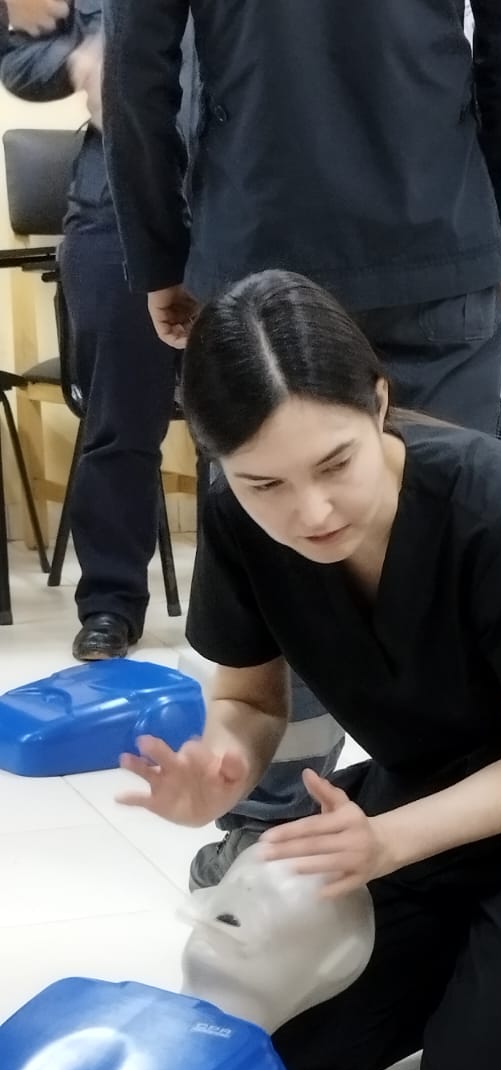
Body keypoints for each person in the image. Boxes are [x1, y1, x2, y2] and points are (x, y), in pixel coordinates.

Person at [118, 272, 501, 1070]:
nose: (310, 513)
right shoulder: (237, 517)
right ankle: (478, 955)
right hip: (414, 801)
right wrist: (219, 765)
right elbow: (250, 700)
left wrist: (388, 844)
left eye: (335, 465)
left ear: (379, 405)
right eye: (264, 484)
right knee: (275, 1060)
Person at [102, 0, 501, 882]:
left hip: (256, 232)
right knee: (446, 541)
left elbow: (139, 73)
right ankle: (455, 814)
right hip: (436, 231)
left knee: (293, 541)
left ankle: (273, 820)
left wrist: (161, 254)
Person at [0, 2, 187, 661]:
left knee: (265, 402)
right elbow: (17, 55)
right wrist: (80, 58)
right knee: (117, 416)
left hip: (244, 172)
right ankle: (110, 604)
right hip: (116, 184)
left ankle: (269, 603)